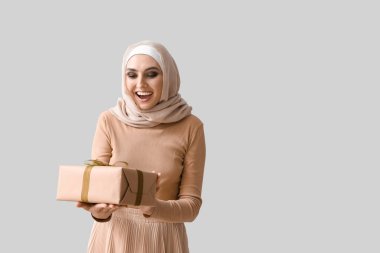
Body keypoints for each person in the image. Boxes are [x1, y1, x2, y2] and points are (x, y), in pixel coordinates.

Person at [76, 40, 206, 253]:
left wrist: (152, 205)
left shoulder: (191, 126)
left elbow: (191, 206)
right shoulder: (109, 120)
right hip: (112, 239)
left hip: (162, 241)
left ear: (168, 76)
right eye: (132, 74)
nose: (140, 85)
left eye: (152, 74)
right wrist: (98, 212)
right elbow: (100, 195)